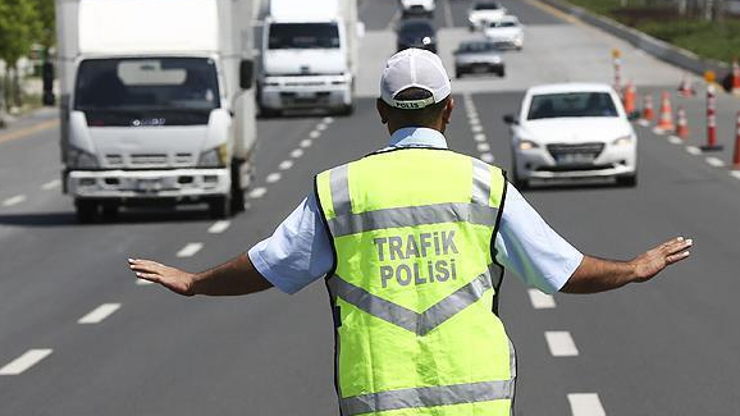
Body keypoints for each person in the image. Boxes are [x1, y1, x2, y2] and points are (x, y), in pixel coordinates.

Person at [129, 49, 692, 416]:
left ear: (382, 111)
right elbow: (562, 271)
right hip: (480, 401)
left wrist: (196, 281)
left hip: (378, 400)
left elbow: (270, 265)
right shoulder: (483, 185)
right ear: (448, 110)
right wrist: (634, 269)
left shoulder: (341, 190)